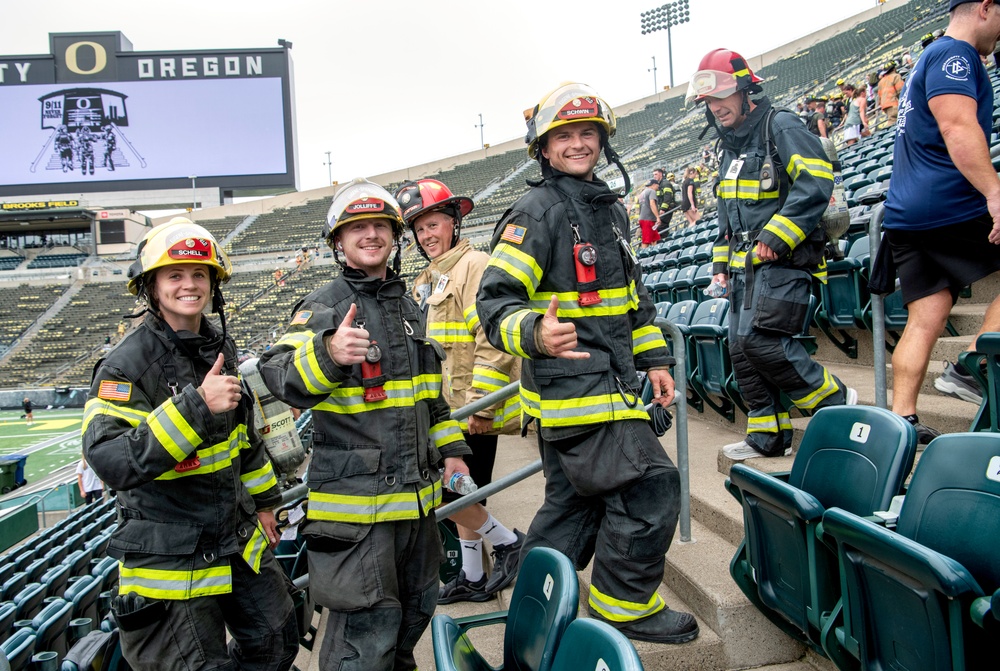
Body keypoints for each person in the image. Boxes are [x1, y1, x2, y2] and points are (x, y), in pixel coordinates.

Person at [476, 82, 699, 645]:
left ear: (602, 141)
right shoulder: (537, 209)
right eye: (564, 136)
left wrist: (655, 362)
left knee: (573, 504)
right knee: (651, 487)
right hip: (577, 394)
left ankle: (532, 597)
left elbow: (633, 305)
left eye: (588, 134)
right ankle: (623, 610)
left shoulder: (606, 208)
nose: (578, 144)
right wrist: (536, 331)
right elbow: (495, 299)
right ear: (544, 150)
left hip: (612, 388)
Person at [258, 178, 472, 670]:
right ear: (338, 241)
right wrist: (328, 354)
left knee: (413, 618)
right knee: (364, 637)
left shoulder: (408, 307)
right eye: (358, 228)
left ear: (395, 236)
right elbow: (279, 375)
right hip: (358, 517)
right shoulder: (322, 305)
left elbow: (428, 402)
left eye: (381, 226)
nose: (371, 235)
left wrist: (453, 452)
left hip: (415, 511)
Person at [82, 217, 298, 670]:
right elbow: (111, 460)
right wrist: (196, 406)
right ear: (151, 287)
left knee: (278, 641)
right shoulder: (124, 366)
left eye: (199, 274)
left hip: (234, 539)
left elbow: (244, 440)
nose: (189, 284)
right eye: (175, 275)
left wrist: (265, 502)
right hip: (169, 557)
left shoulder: (219, 346)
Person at [686, 48, 857, 460]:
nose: (715, 107)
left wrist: (777, 236)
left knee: (759, 342)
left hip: (787, 260)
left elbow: (815, 182)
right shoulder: (729, 147)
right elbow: (728, 218)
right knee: (739, 347)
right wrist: (721, 267)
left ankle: (836, 404)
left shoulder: (780, 125)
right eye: (708, 101)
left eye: (721, 97)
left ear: (746, 90)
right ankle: (766, 434)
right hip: (745, 267)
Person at [395, 178, 525, 605]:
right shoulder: (429, 277)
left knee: (447, 493)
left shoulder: (475, 266)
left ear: (453, 222)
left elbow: (492, 338)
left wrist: (479, 404)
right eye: (420, 229)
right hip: (449, 408)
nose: (427, 235)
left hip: (470, 407)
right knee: (467, 490)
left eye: (434, 224)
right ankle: (472, 575)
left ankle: (508, 543)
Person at [880, 0, 1000, 442]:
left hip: (907, 213)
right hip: (947, 205)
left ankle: (902, 423)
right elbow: (956, 126)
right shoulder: (956, 54)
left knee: (927, 313)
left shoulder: (930, 56)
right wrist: (995, 192)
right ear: (985, 7)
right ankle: (974, 363)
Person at [877, 60, 906, 125]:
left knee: (892, 121)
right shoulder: (896, 76)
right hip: (894, 104)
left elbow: (879, 97)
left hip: (885, 106)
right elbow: (901, 91)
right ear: (894, 68)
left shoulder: (880, 82)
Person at [637, 179, 662, 248]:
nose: (658, 187)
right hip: (648, 219)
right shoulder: (652, 191)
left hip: (643, 218)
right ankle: (643, 256)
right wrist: (657, 217)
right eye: (657, 185)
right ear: (653, 185)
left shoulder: (642, 193)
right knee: (646, 240)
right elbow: (652, 204)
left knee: (654, 239)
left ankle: (655, 254)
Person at [655, 168, 677, 234]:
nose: (654, 176)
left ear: (661, 174)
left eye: (656, 174)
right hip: (663, 209)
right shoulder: (660, 184)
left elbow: (668, 196)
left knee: (661, 226)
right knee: (662, 226)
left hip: (667, 208)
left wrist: (663, 209)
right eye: (653, 174)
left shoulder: (665, 184)